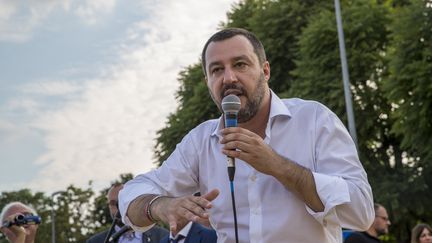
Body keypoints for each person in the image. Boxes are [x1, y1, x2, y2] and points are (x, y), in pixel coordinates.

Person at [119, 27, 374, 242]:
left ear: (265, 71)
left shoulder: (315, 120)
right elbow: (134, 191)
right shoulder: (200, 142)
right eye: (217, 70)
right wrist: (160, 206)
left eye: (240, 64)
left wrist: (278, 166)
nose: (229, 78)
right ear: (208, 80)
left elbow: (361, 212)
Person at [87, 183, 168, 243]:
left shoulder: (164, 236)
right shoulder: (94, 241)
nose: (120, 209)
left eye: (123, 202)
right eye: (113, 203)